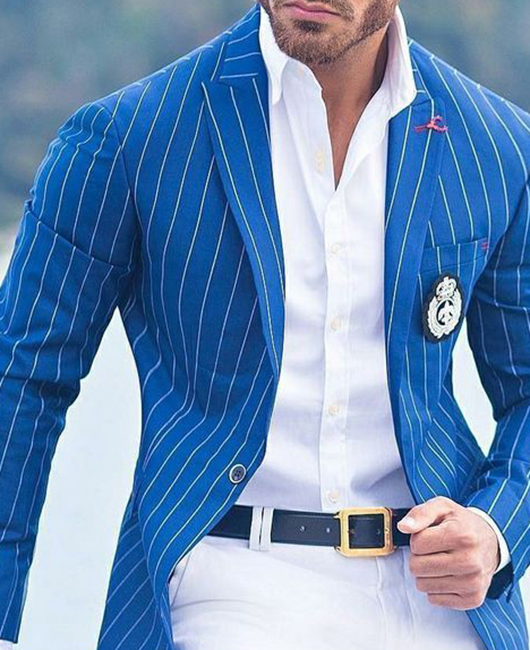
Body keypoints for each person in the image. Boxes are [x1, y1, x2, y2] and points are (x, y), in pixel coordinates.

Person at [0, 0, 529, 648]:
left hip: (438, 598)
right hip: (223, 585)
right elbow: (21, 380)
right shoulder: (126, 138)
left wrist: (495, 529)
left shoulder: (499, 148)